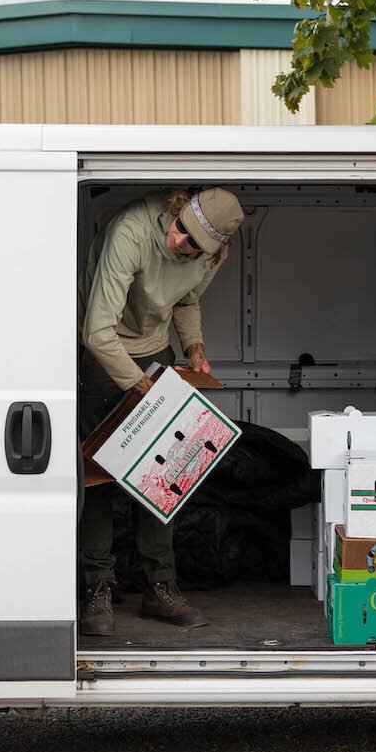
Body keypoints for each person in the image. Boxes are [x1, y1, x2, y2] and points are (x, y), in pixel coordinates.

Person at [78, 187, 244, 636]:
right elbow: (97, 331)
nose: (179, 243)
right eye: (179, 230)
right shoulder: (130, 232)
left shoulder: (210, 256)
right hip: (104, 357)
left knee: (162, 474)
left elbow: (186, 300)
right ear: (177, 211)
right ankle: (98, 588)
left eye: (193, 245)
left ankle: (160, 586)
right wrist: (139, 386)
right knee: (98, 474)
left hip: (156, 354)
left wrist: (194, 348)